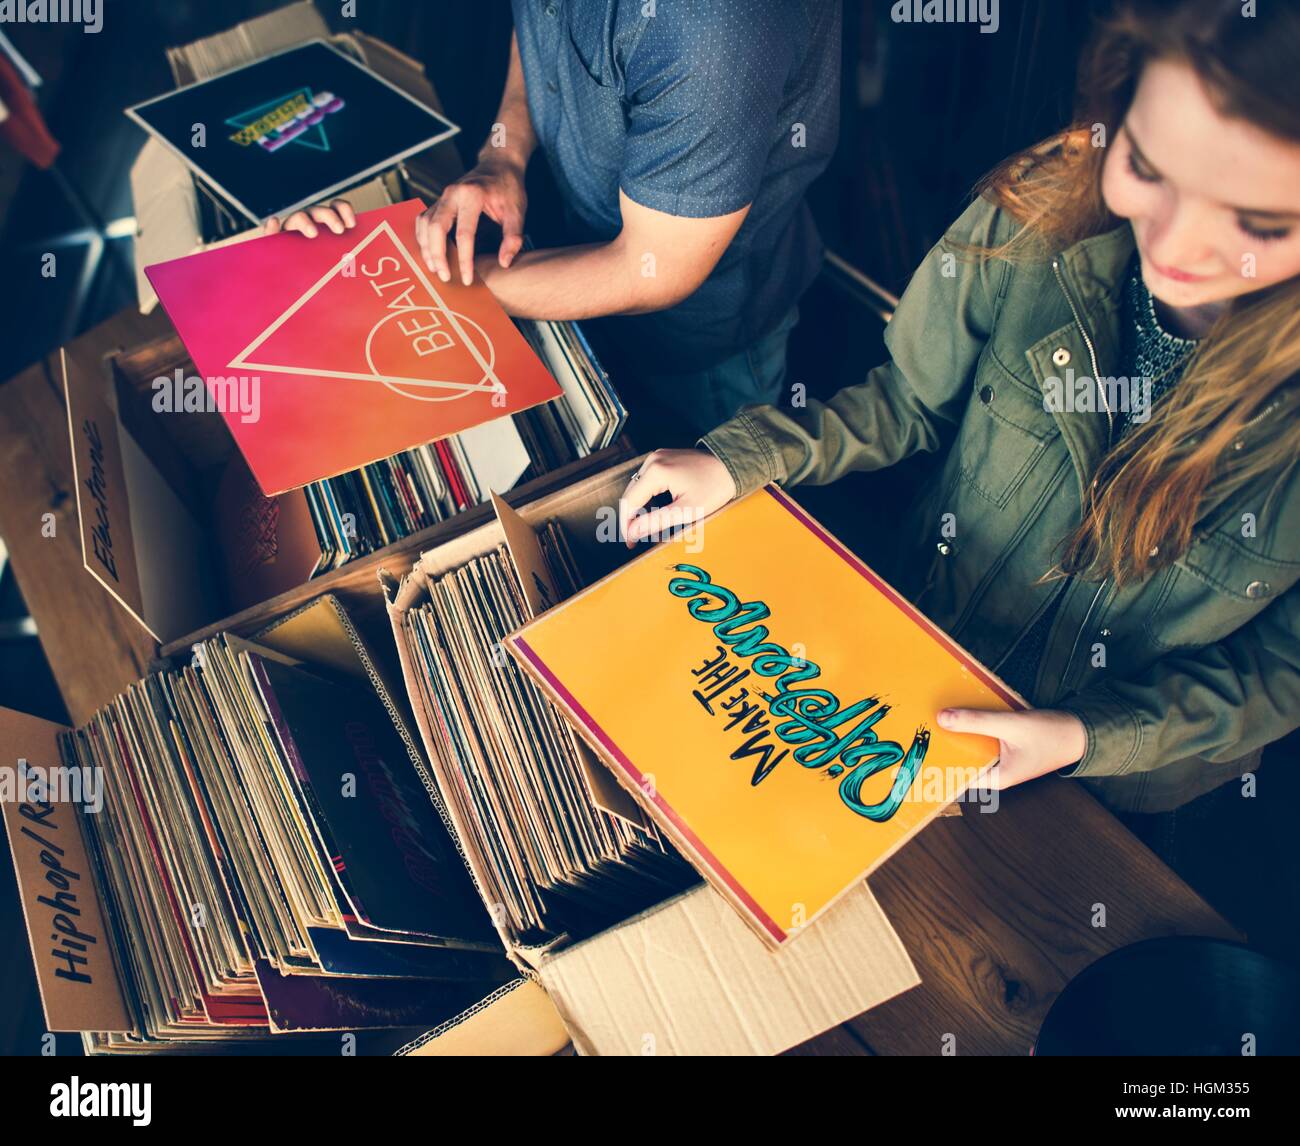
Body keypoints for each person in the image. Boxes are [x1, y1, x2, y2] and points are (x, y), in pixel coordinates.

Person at [616, 0, 1300, 815]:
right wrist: (747, 457)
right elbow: (909, 401)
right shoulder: (1043, 208)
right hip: (908, 676)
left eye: (1257, 222)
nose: (1178, 244)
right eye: (1149, 169)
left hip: (1105, 800)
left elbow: (1281, 669)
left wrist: (1087, 736)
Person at [276, 4, 840, 439]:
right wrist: (505, 152)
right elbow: (542, 26)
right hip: (584, 257)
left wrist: (445, 286)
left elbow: (656, 270)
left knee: (697, 512)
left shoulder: (715, 30)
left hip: (707, 343)